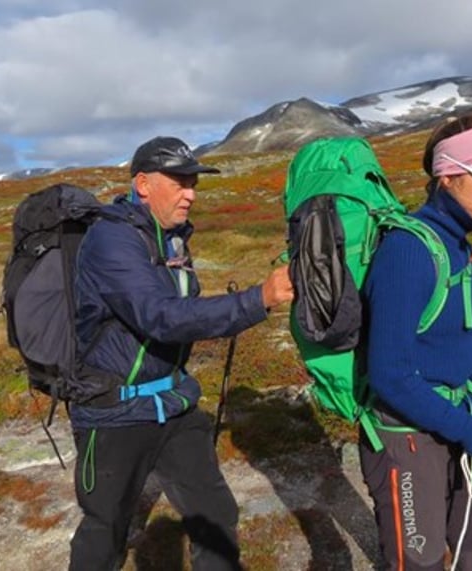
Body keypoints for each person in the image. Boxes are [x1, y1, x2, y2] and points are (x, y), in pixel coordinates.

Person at [67, 135, 294, 570]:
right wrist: (258, 299)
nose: (191, 194)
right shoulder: (111, 241)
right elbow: (162, 317)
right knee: (106, 531)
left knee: (216, 515)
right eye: (179, 182)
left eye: (193, 183)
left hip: (173, 403)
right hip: (115, 412)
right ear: (143, 184)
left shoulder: (169, 237)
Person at [360, 114, 472, 570]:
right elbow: (390, 374)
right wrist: (471, 430)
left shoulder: (459, 245)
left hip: (458, 420)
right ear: (449, 176)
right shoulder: (408, 250)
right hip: (407, 440)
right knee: (420, 563)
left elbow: (465, 340)